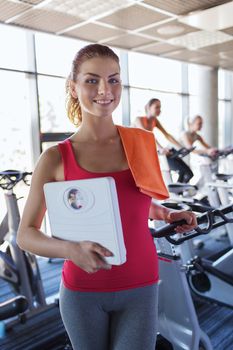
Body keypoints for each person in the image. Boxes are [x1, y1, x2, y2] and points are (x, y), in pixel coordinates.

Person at [17, 44, 197, 350]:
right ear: (73, 88)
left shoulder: (140, 143)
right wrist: (69, 249)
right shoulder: (55, 158)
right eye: (91, 80)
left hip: (141, 283)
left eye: (114, 79)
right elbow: (26, 235)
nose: (105, 89)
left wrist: (166, 214)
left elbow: (133, 201)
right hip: (83, 291)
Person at [134, 98, 194, 183]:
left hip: (143, 149)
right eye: (157, 107)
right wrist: (160, 148)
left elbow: (167, 135)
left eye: (160, 107)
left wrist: (181, 147)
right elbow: (147, 135)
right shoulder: (138, 119)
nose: (159, 110)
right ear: (149, 107)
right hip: (132, 149)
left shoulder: (155, 121)